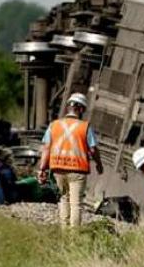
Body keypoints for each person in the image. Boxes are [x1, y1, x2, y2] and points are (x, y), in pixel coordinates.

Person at [37, 93, 104, 228]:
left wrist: (42, 169)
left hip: (58, 169)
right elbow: (92, 149)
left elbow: (46, 149)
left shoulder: (54, 125)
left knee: (63, 200)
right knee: (76, 204)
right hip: (77, 170)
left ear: (68, 107)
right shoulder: (85, 127)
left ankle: (65, 231)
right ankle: (74, 236)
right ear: (80, 109)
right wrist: (98, 164)